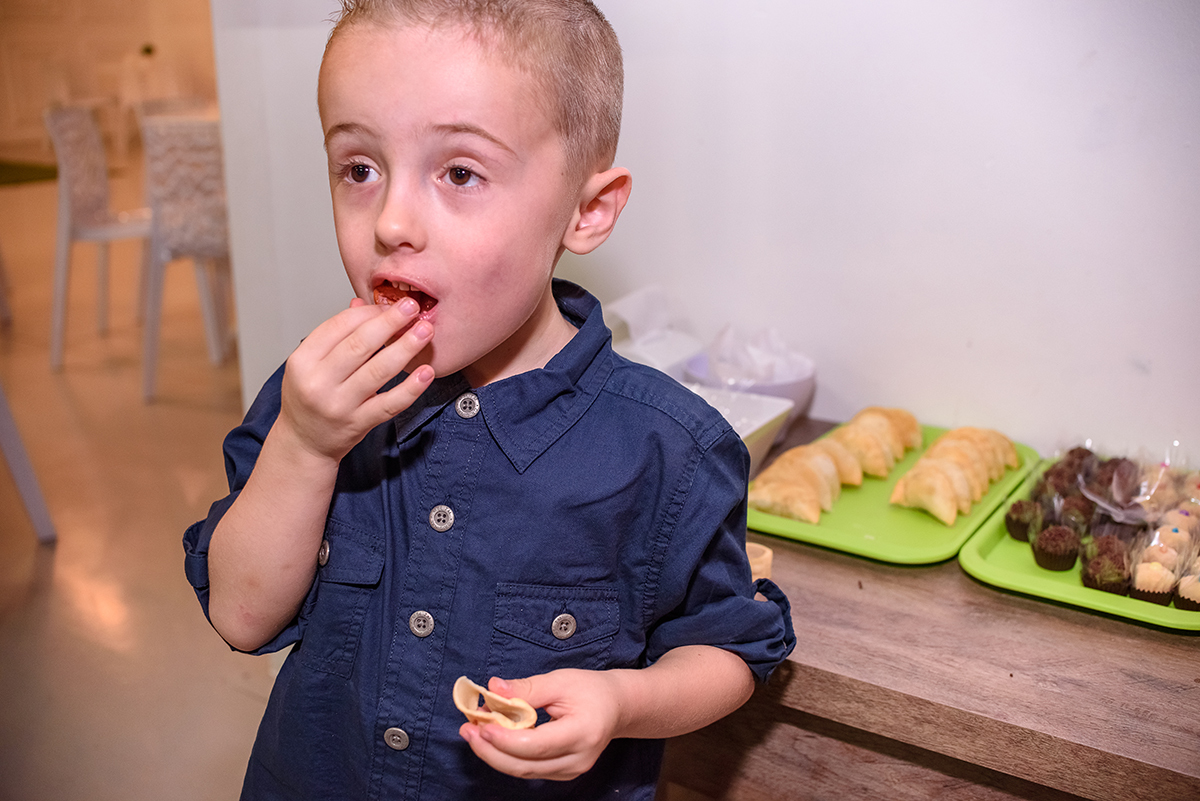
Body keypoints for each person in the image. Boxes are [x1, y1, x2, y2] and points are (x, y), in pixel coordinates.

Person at [183, 1, 795, 798]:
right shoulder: (314, 396)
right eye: (359, 168)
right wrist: (304, 444)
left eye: (460, 172)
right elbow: (240, 614)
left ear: (587, 209)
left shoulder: (668, 450)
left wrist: (622, 700)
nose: (392, 222)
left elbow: (729, 647)